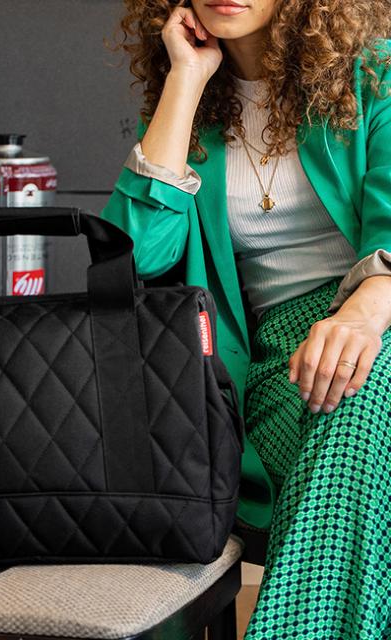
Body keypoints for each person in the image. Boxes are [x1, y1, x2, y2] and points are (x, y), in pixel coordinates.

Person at [101, 0, 391, 637]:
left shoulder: (374, 73)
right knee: (359, 409)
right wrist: (186, 79)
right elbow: (134, 259)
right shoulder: (190, 103)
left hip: (376, 314)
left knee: (365, 384)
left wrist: (362, 316)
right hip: (271, 363)